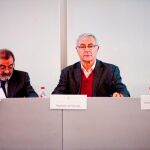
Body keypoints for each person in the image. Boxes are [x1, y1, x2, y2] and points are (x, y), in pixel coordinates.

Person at [52, 33, 130, 97]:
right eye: (82, 46)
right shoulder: (67, 72)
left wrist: (120, 95)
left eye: (90, 46)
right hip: (76, 113)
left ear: (97, 49)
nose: (86, 50)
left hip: (101, 113)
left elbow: (125, 92)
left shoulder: (111, 70)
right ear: (77, 50)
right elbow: (56, 94)